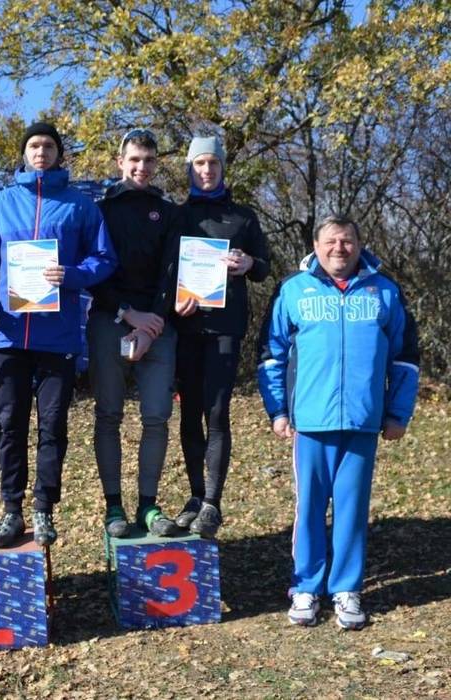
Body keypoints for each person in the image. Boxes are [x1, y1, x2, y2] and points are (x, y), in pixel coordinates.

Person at [0, 121, 117, 548]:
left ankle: (44, 508)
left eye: (48, 145)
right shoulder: (1, 204)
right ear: (23, 154)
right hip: (8, 334)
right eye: (33, 145)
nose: (40, 151)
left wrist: (73, 275)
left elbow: (104, 259)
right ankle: (12, 509)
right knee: (10, 425)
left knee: (53, 425)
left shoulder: (80, 206)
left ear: (58, 153)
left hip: (57, 336)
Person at [258, 215, 419, 630]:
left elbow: (405, 357)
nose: (339, 249)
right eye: (331, 241)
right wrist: (277, 411)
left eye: (347, 241)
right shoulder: (294, 290)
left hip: (363, 421)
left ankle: (346, 589)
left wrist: (397, 413)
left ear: (359, 243)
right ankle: (306, 588)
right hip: (310, 421)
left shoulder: (385, 291)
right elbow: (271, 357)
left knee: (351, 508)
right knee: (310, 507)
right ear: (316, 245)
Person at [172, 135, 270, 538]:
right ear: (190, 169)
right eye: (199, 165)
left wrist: (249, 262)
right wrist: (171, 304)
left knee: (216, 413)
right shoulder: (177, 216)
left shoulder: (243, 217)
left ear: (223, 167)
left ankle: (213, 500)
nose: (207, 171)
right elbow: (164, 272)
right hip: (186, 328)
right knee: (189, 414)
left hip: (225, 330)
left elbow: (265, 267)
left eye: (213, 164)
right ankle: (195, 495)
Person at [87, 128, 181, 538]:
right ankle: (114, 508)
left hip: (159, 327)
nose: (142, 168)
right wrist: (128, 315)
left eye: (149, 161)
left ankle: (148, 504)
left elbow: (173, 270)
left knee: (157, 416)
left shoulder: (167, 209)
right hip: (111, 321)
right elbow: (90, 271)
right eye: (134, 160)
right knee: (108, 415)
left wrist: (153, 321)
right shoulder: (100, 209)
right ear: (120, 163)